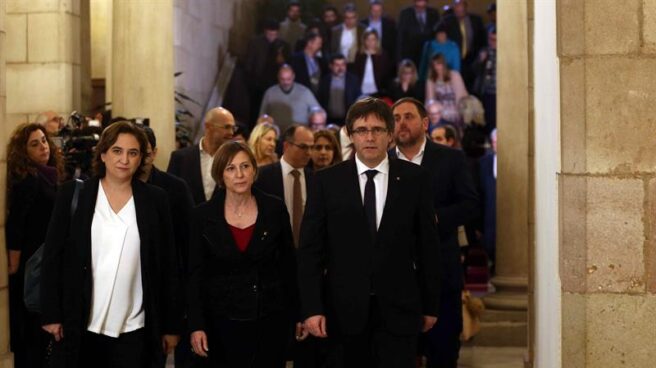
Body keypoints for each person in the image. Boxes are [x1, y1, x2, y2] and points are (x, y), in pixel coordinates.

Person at [297, 97, 441, 368]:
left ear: (390, 135)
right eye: (362, 130)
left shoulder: (415, 179)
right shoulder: (326, 182)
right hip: (342, 313)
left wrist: (431, 305)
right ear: (351, 135)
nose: (370, 137)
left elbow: (428, 247)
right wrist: (312, 308)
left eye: (378, 129)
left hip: (400, 310)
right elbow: (310, 252)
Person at [40, 121, 181, 368]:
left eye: (133, 152)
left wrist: (171, 326)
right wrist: (51, 314)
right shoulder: (73, 195)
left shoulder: (156, 200)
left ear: (141, 159)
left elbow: (168, 266)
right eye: (117, 151)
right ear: (103, 154)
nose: (124, 159)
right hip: (82, 326)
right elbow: (53, 257)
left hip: (136, 329)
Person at [187, 142, 299, 368]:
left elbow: (289, 266)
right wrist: (196, 325)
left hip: (268, 319)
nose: (239, 174)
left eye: (245, 166)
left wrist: (297, 314)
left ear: (254, 171)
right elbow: (194, 275)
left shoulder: (274, 208)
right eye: (230, 168)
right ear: (220, 175)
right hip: (219, 322)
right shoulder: (202, 216)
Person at [390, 98, 479, 368]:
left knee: (442, 353)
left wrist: (435, 218)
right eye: (395, 118)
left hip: (441, 272)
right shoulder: (382, 161)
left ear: (425, 123)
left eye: (408, 117)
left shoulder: (450, 158)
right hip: (395, 277)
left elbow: (470, 204)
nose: (401, 123)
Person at [6, 123, 63, 368]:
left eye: (43, 140)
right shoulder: (28, 180)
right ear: (23, 151)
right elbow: (16, 224)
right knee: (31, 329)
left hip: (47, 260)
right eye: (34, 143)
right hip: (31, 264)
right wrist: (14, 261)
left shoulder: (48, 175)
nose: (43, 146)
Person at [139, 126, 195, 368]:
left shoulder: (174, 188)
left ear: (154, 153)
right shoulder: (106, 188)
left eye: (144, 153)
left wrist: (175, 318)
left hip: (160, 295)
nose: (138, 159)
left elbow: (186, 247)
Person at [255, 125, 314, 248]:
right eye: (303, 147)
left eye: (311, 147)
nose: (309, 153)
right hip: (272, 251)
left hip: (307, 252)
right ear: (286, 146)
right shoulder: (262, 176)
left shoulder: (315, 179)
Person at [168, 107, 236, 205]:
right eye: (227, 127)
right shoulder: (180, 158)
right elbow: (170, 193)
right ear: (208, 127)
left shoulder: (234, 159)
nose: (231, 133)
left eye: (233, 128)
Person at [245, 19, 292, 122]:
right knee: (256, 109)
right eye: (269, 34)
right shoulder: (255, 43)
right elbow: (249, 63)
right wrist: (250, 81)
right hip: (258, 83)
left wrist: (281, 61)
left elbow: (288, 65)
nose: (271, 37)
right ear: (265, 32)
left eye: (274, 35)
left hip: (275, 82)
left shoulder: (283, 45)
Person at [439, 0, 487, 90]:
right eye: (457, 7)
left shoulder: (476, 20)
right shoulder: (447, 21)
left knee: (471, 88)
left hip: (472, 61)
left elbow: (483, 40)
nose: (459, 9)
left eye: (461, 6)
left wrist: (483, 51)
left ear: (466, 7)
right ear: (454, 8)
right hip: (453, 61)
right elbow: (438, 36)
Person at [259, 64, 321, 133]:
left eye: (288, 79)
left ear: (293, 76)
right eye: (282, 79)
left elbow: (318, 111)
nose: (285, 82)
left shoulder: (305, 92)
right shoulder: (270, 93)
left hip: (300, 135)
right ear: (278, 77)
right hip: (277, 135)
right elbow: (262, 116)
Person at [318, 54, 362, 126]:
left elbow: (358, 97)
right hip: (329, 120)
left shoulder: (353, 80)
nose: (340, 68)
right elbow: (320, 99)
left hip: (347, 119)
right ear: (330, 66)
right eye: (337, 65)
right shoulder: (325, 80)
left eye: (343, 65)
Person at [426, 53, 468, 126]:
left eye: (438, 64)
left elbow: (460, 97)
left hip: (456, 107)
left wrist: (457, 111)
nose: (436, 67)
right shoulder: (431, 79)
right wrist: (435, 108)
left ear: (444, 64)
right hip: (440, 109)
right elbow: (430, 100)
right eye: (434, 65)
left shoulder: (455, 75)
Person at [397, 0, 441, 65]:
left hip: (429, 55)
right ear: (414, 3)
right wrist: (399, 59)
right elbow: (400, 38)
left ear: (426, 3)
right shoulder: (405, 14)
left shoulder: (434, 13)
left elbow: (437, 35)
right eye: (418, 7)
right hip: (410, 56)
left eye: (423, 7)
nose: (420, 9)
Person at [352, 28, 392, 97]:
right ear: (364, 41)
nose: (370, 42)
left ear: (377, 41)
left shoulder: (383, 55)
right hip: (361, 90)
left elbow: (386, 74)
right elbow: (356, 73)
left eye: (373, 39)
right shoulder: (359, 55)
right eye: (368, 39)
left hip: (377, 91)